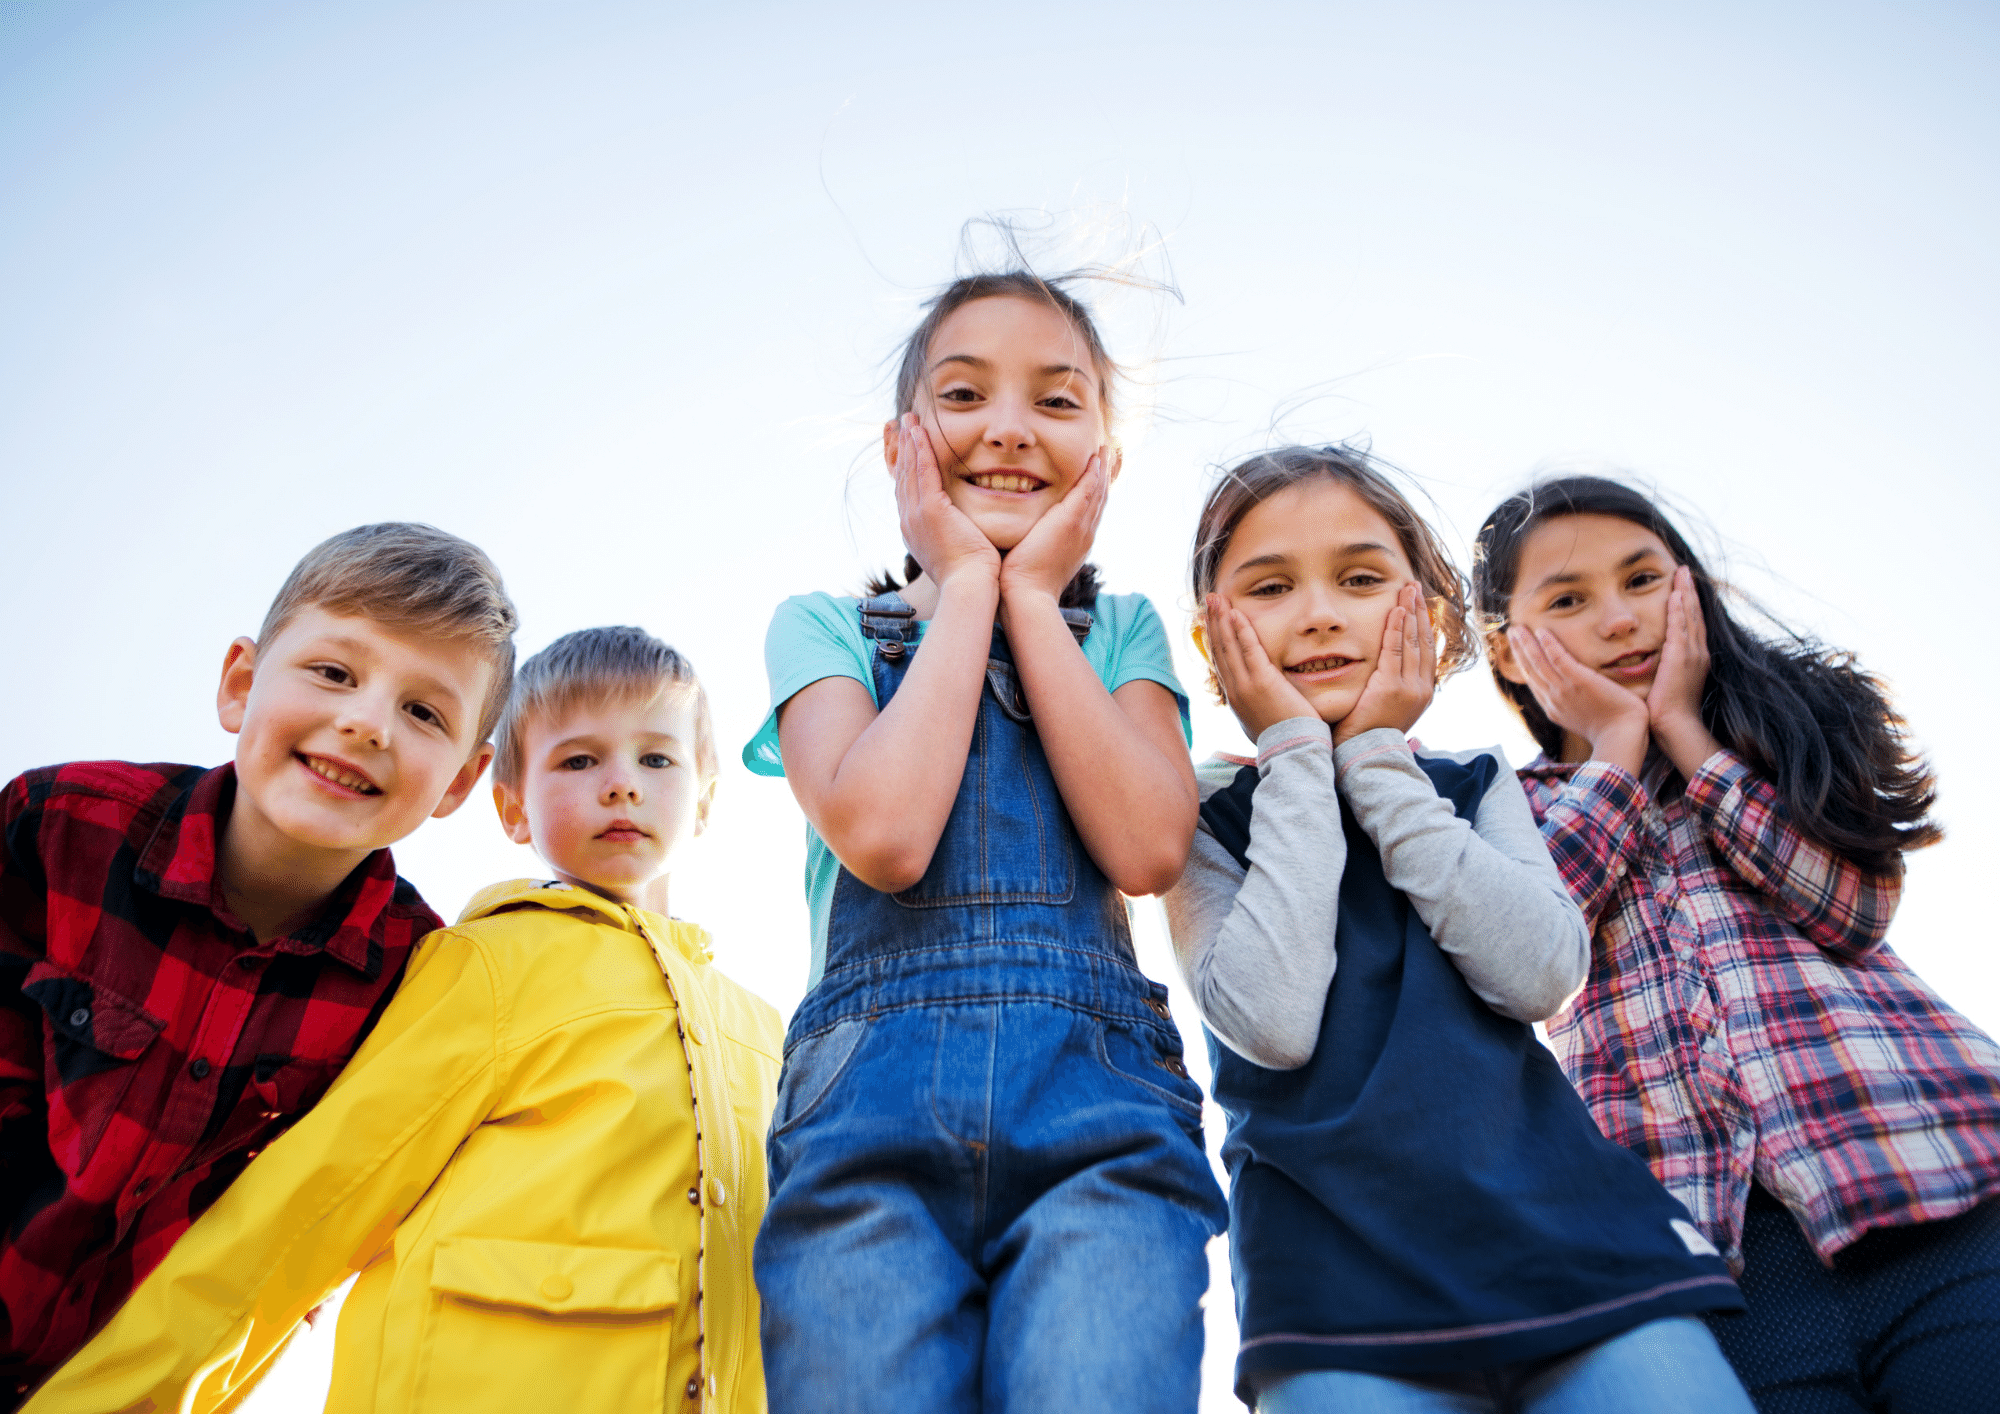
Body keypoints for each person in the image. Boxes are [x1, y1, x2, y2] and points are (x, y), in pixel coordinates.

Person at [22, 626, 783, 1414]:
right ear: (513, 807)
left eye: (656, 759)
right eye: (579, 760)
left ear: (705, 800)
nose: (621, 784)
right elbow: (302, 1214)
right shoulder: (489, 963)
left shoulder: (770, 1034)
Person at [1166, 446, 1753, 1413]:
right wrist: (1299, 756)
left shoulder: (1474, 783)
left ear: (1432, 623)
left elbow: (1537, 974)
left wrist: (1375, 763)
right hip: (1333, 1281)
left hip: (1570, 1237)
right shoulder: (1195, 813)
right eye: (1270, 587)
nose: (1319, 612)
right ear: (1213, 641)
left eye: (1359, 579)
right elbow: (1270, 1021)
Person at [743, 268, 1227, 1410]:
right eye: (965, 396)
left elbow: (1149, 845)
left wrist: (1034, 598)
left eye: (1056, 403)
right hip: (865, 1118)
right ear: (902, 439)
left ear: (1102, 456)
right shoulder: (819, 629)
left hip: (1095, 1109)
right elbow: (886, 832)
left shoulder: (1119, 633)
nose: (1007, 429)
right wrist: (965, 581)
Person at [1473, 475, 2000, 1412]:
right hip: (1711, 1256)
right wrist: (1615, 757)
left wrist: (1682, 733)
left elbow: (1852, 907)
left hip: (1936, 1182)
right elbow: (1526, 958)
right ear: (1510, 653)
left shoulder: (1788, 731)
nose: (1618, 618)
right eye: (1568, 599)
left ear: (1690, 591)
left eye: (1642, 580)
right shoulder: (1505, 808)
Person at [0, 522, 515, 1409]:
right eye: (333, 673)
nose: (365, 722)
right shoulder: (61, 826)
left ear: (460, 785)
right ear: (240, 684)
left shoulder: (419, 984)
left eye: (422, 711)